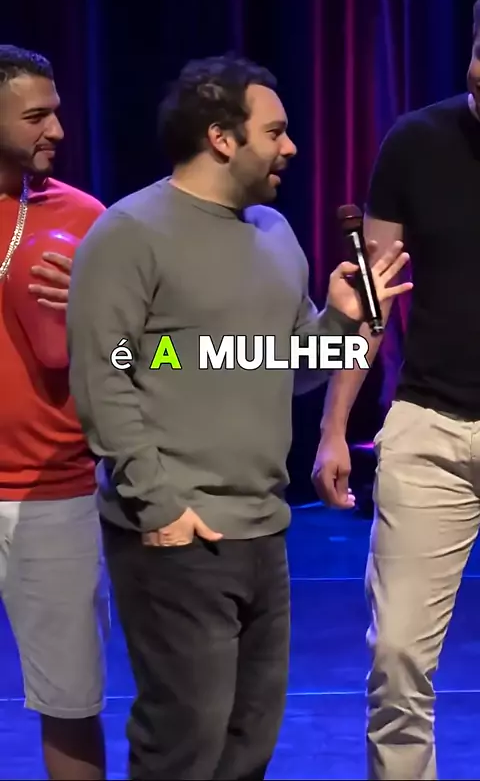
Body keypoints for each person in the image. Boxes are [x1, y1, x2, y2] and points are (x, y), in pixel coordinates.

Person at [66, 53, 411, 781]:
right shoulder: (130, 233)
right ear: (222, 138)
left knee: (249, 739)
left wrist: (342, 322)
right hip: (176, 531)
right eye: (275, 132)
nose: (292, 148)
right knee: (184, 742)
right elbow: (103, 378)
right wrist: (160, 504)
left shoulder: (273, 233)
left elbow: (286, 366)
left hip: (263, 527)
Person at [312, 0, 480, 780]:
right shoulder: (416, 142)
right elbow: (371, 303)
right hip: (431, 427)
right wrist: (334, 428)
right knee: (399, 658)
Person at [0, 45, 109, 781]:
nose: (59, 131)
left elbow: (146, 358)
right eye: (36, 116)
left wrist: (97, 323)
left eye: (58, 113)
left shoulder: (87, 219)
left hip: (53, 496)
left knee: (70, 703)